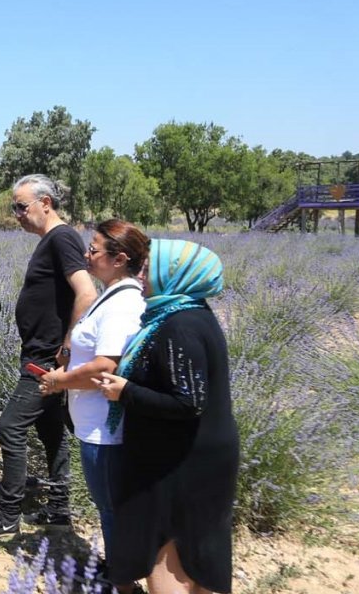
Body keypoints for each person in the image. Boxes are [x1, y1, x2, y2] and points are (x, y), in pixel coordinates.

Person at [95, 239, 236, 594]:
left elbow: (188, 402)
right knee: (198, 552)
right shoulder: (191, 314)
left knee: (172, 549)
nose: (140, 276)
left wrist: (125, 391)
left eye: (148, 268)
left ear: (175, 274)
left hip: (181, 465)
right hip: (197, 456)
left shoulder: (179, 326)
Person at [0, 174, 97, 541]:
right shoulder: (51, 241)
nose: (17, 214)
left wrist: (66, 349)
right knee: (51, 432)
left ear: (46, 203)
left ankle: (7, 514)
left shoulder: (62, 238)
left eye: (22, 207)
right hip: (39, 352)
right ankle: (59, 509)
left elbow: (86, 293)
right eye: (14, 207)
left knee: (9, 427)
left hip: (46, 358)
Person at [37, 219, 149, 559]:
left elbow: (104, 368)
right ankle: (119, 571)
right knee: (109, 507)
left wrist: (59, 381)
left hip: (105, 430)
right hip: (95, 425)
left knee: (112, 508)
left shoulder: (122, 305)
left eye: (94, 249)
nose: (86, 255)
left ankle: (120, 576)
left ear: (119, 259)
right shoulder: (111, 296)